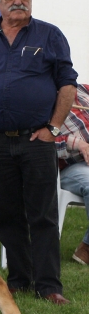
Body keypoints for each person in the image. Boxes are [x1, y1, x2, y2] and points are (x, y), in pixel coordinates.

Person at [0, 0, 77, 305]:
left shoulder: (50, 35)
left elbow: (66, 85)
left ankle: (49, 285)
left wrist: (53, 128)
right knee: (6, 215)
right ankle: (19, 278)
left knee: (42, 214)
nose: (18, 0)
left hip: (36, 140)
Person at [55, 84, 89, 266]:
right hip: (70, 167)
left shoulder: (83, 90)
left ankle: (86, 247)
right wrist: (77, 143)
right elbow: (42, 143)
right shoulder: (43, 102)